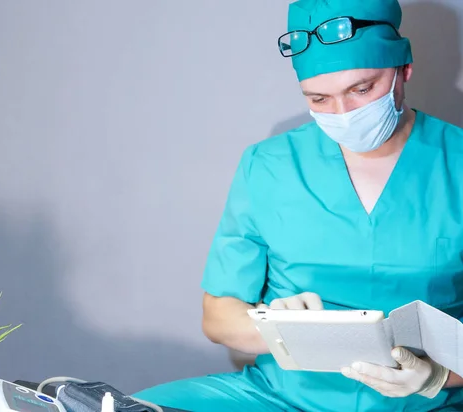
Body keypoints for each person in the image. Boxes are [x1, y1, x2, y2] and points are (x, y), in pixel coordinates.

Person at [132, 0, 463, 411]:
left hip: (424, 403)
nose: (344, 114)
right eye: (319, 99)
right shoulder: (270, 164)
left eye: (362, 89)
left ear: (403, 70)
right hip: (279, 398)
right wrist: (279, 328)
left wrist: (438, 375)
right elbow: (218, 316)